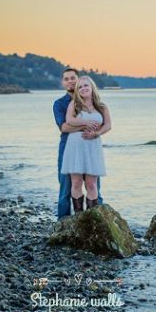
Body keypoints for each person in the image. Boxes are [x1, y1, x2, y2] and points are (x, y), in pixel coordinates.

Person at [54, 69, 103, 217]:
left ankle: (98, 220)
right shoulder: (60, 104)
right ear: (63, 83)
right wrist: (86, 124)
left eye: (72, 78)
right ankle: (63, 222)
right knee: (66, 187)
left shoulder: (92, 101)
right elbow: (64, 127)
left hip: (90, 147)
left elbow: (103, 124)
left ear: (78, 80)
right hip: (67, 147)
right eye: (66, 79)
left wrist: (96, 131)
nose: (70, 81)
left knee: (94, 185)